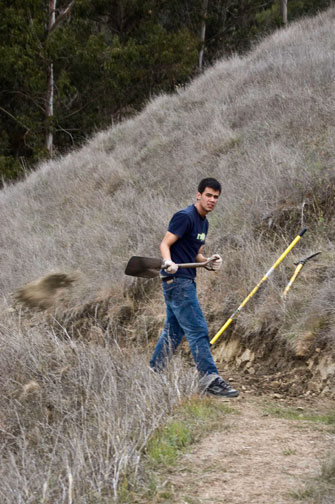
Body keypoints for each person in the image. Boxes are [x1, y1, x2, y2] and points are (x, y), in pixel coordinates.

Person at [150, 178, 239, 397]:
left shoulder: (204, 223)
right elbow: (165, 244)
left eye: (216, 197)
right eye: (208, 195)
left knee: (174, 330)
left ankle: (153, 373)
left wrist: (207, 262)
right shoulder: (185, 217)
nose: (212, 200)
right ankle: (210, 379)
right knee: (198, 329)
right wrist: (168, 261)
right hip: (177, 280)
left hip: (185, 280)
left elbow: (194, 253)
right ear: (198, 195)